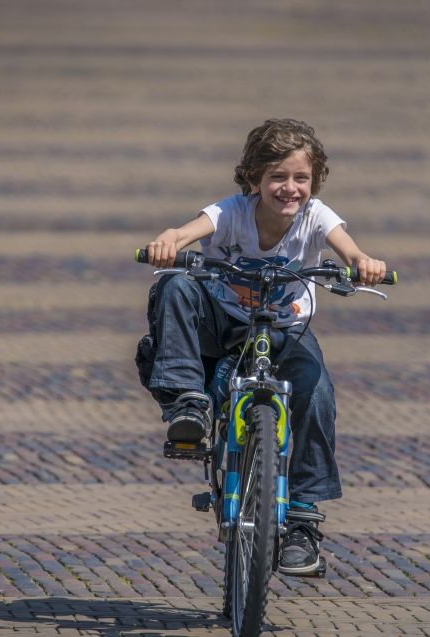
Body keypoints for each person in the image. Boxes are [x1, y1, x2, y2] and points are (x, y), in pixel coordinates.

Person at [141, 118, 387, 576]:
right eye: (277, 177)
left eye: (301, 178)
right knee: (174, 286)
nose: (289, 188)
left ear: (314, 183)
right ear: (253, 179)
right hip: (222, 324)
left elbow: (348, 248)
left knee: (316, 394)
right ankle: (187, 405)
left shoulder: (317, 217)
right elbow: (188, 230)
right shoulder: (232, 212)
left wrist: (361, 263)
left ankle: (302, 521)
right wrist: (168, 241)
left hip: (285, 329)